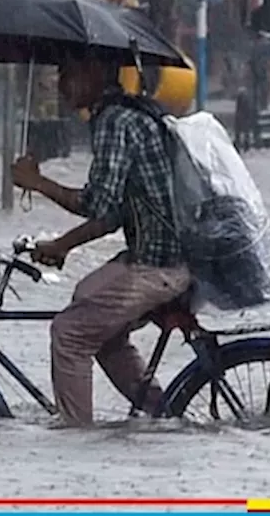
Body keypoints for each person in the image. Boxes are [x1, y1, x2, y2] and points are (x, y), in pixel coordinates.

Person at [11, 54, 189, 427]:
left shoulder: (114, 122)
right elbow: (115, 214)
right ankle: (165, 417)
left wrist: (37, 182)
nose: (60, 85)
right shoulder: (131, 113)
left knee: (69, 333)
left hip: (158, 265)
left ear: (93, 72)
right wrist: (63, 245)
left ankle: (76, 439)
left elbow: (97, 202)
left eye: (67, 72)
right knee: (88, 304)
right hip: (167, 258)